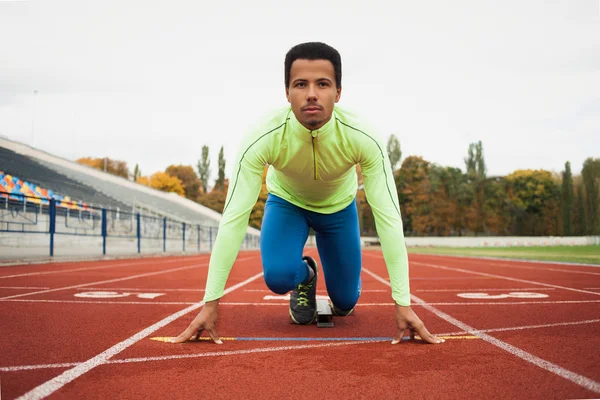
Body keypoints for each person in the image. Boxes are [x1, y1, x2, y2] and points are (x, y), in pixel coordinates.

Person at [171, 42, 444, 345]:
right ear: (287, 92)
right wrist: (211, 303)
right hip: (288, 204)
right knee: (277, 278)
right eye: (300, 84)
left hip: (339, 209)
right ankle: (307, 276)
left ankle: (344, 283)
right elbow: (234, 216)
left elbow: (389, 217)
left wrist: (402, 303)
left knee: (345, 302)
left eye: (323, 84)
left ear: (338, 93)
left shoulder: (363, 136)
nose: (311, 93)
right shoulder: (263, 136)